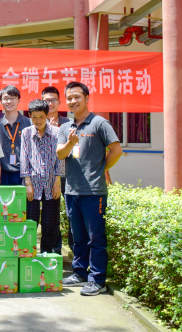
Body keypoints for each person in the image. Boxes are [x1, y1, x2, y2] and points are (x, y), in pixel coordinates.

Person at [57, 82, 122, 296]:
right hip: (72, 190)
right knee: (78, 236)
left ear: (86, 98)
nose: (73, 101)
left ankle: (97, 279)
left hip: (94, 192)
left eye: (77, 97)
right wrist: (70, 143)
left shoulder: (99, 123)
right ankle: (80, 273)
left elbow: (116, 150)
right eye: (69, 98)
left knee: (95, 237)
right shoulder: (66, 127)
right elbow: (60, 154)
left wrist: (101, 168)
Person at [20, 99, 64, 254]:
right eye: (34, 117)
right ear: (30, 116)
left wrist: (57, 182)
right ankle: (29, 253)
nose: (38, 120)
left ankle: (47, 254)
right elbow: (24, 158)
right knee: (30, 221)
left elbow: (60, 159)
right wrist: (28, 184)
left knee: (50, 222)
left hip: (51, 184)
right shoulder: (26, 133)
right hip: (33, 184)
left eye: (41, 117)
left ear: (47, 115)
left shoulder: (57, 133)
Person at [42, 86, 72, 253]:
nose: (50, 103)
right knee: (52, 216)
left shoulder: (69, 123)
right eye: (46, 100)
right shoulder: (38, 122)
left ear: (60, 102)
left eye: (53, 100)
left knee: (71, 214)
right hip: (47, 176)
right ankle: (55, 250)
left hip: (68, 174)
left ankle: (74, 250)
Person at [0, 85, 31, 186]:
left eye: (12, 98)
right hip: (3, 172)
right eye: (6, 98)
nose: (9, 101)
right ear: (1, 102)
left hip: (24, 172)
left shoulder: (29, 123)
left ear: (19, 100)